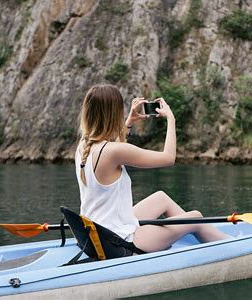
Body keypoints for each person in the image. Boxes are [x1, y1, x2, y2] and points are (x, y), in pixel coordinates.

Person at [75, 84, 229, 253]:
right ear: (115, 114)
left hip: (98, 234)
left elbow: (113, 149)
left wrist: (129, 122)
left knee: (161, 198)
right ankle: (230, 247)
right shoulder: (114, 151)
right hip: (120, 242)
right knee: (195, 217)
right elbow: (168, 158)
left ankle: (199, 234)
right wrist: (171, 119)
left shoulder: (84, 146)